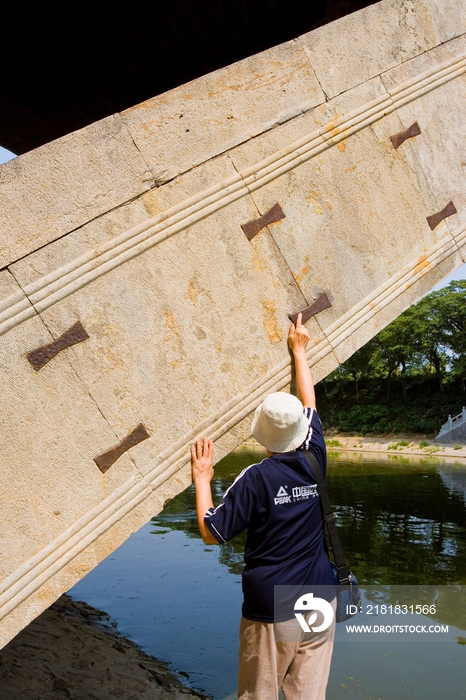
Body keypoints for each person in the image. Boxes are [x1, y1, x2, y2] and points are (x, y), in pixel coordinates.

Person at [191, 313, 336, 700]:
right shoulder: (315, 456)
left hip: (273, 605)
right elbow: (310, 401)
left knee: (260, 693)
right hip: (321, 597)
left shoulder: (256, 479)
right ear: (301, 431)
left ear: (262, 434)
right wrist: (299, 351)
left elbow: (211, 532)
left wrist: (203, 478)